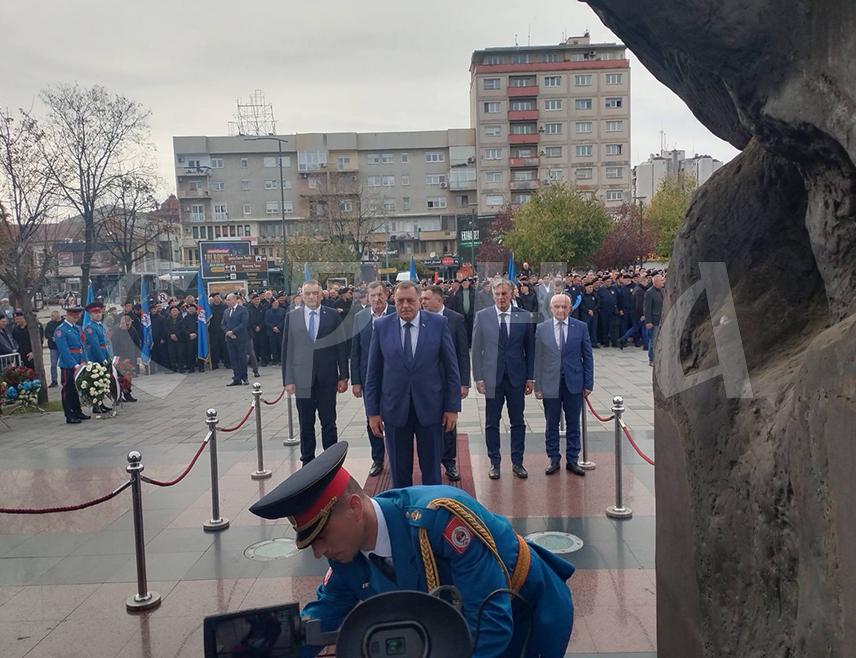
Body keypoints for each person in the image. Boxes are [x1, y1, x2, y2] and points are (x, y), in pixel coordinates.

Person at [249, 442, 575, 658]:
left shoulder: (440, 519)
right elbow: (321, 616)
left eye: (321, 536)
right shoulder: (347, 556)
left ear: (353, 507)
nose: (318, 552)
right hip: (457, 628)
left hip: (527, 617)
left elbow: (491, 622)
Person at [364, 281, 460, 488]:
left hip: (431, 408)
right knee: (399, 472)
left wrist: (452, 408)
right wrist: (372, 412)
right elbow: (373, 373)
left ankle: (432, 511)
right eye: (400, 301)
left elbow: (452, 369)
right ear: (394, 301)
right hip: (394, 410)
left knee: (432, 471)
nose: (405, 305)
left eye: (410, 300)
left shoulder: (438, 323)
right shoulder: (381, 327)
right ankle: (402, 512)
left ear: (419, 301)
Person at [471, 278, 535, 480]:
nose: (501, 298)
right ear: (492, 295)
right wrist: (478, 377)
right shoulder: (483, 316)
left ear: (512, 294)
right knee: (492, 422)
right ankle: (494, 462)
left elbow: (531, 349)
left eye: (504, 294)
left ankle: (517, 462)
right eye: (497, 294)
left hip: (517, 377)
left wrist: (531, 378)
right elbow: (476, 349)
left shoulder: (523, 316)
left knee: (518, 421)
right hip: (492, 378)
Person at [282, 279, 349, 465]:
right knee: (306, 423)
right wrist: (288, 379)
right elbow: (287, 349)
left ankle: (332, 461)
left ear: (321, 294)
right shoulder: (292, 316)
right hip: (302, 379)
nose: (311, 297)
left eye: (315, 293)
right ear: (302, 296)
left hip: (327, 378)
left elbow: (341, 347)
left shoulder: (333, 315)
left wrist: (343, 375)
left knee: (328, 422)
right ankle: (308, 462)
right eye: (307, 293)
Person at [534, 294, 594, 476]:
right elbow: (538, 358)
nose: (561, 310)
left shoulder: (580, 327)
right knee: (551, 422)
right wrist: (537, 385)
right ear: (551, 309)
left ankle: (573, 459)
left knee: (574, 423)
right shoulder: (542, 328)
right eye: (557, 307)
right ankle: (553, 458)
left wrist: (588, 383)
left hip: (574, 383)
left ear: (570, 309)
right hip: (550, 383)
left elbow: (588, 356)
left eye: (564, 307)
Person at [420, 285, 470, 482]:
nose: (422, 302)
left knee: (449, 422)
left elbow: (462, 353)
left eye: (426, 298)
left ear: (439, 300)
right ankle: (430, 462)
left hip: (449, 381)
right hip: (427, 383)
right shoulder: (420, 318)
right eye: (421, 298)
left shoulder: (455, 319)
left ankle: (449, 461)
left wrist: (464, 383)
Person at [350, 281, 394, 477]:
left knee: (396, 418)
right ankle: (377, 458)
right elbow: (355, 352)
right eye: (372, 295)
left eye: (380, 295)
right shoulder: (359, 318)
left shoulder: (396, 312)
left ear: (387, 295)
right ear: (367, 297)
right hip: (370, 378)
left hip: (394, 377)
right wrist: (356, 381)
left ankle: (396, 455)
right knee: (372, 418)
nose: (376, 299)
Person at [53, 305, 89, 424]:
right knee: (67, 389)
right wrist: (74, 364)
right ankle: (69, 414)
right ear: (67, 316)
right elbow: (64, 350)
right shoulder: (61, 330)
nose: (76, 318)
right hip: (68, 365)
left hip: (79, 362)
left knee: (76, 388)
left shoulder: (77, 328)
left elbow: (82, 346)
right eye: (73, 316)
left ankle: (77, 411)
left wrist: (84, 361)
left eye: (77, 316)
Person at [222, 293, 250, 385]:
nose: (227, 302)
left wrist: (233, 331)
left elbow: (244, 323)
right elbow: (223, 324)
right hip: (230, 339)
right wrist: (228, 333)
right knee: (233, 359)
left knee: (242, 358)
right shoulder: (226, 311)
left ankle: (244, 377)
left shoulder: (243, 310)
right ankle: (236, 378)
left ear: (234, 299)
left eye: (229, 300)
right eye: (226, 300)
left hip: (240, 338)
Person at [111, 314, 138, 402]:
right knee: (120, 377)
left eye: (129, 325)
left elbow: (137, 343)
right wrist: (121, 358)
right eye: (125, 325)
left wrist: (137, 356)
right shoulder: (116, 332)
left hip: (131, 356)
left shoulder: (133, 330)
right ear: (121, 323)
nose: (127, 327)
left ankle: (127, 393)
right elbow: (115, 347)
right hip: (120, 358)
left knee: (129, 377)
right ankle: (119, 395)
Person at [643, 273, 665, 367]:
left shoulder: (662, 291)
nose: (663, 282)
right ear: (655, 282)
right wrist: (648, 321)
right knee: (653, 340)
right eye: (661, 281)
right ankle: (651, 358)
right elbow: (647, 308)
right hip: (654, 320)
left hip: (661, 319)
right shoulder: (649, 292)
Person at [447, 277, 476, 345]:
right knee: (463, 330)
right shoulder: (458, 293)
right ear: (461, 284)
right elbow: (455, 305)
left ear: (469, 283)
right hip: (461, 315)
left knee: (471, 330)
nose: (465, 284)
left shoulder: (473, 292)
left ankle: (472, 343)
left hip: (471, 315)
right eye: (464, 283)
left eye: (467, 282)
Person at [208, 292, 229, 370]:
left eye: (218, 296)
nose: (218, 298)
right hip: (213, 331)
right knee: (214, 348)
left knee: (225, 347)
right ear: (213, 299)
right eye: (216, 297)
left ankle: (227, 362)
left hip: (223, 330)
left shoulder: (224, 307)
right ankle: (215, 364)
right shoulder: (209, 308)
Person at [264, 297, 287, 366]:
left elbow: (284, 320)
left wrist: (278, 327)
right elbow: (266, 321)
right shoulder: (268, 312)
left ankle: (281, 359)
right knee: (273, 346)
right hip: (271, 332)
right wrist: (273, 327)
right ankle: (275, 359)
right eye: (274, 303)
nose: (275, 304)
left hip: (280, 331)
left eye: (276, 303)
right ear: (271, 304)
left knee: (281, 345)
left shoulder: (283, 310)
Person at [182, 303, 203, 373]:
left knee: (199, 353)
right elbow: (183, 328)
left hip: (198, 338)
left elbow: (200, 327)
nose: (191, 310)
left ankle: (201, 367)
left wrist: (196, 334)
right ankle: (192, 367)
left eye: (193, 309)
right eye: (190, 309)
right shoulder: (185, 318)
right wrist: (189, 334)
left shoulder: (199, 317)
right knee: (190, 353)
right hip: (189, 338)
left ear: (195, 310)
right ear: (188, 310)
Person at [45, 310, 63, 387]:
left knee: (63, 364)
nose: (51, 317)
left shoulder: (63, 323)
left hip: (62, 346)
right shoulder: (49, 324)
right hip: (53, 347)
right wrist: (51, 337)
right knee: (53, 364)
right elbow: (46, 334)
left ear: (57, 316)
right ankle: (54, 380)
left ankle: (64, 379)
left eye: (53, 316)